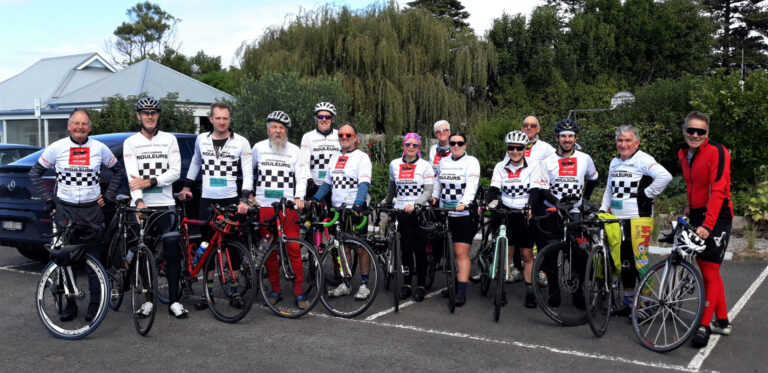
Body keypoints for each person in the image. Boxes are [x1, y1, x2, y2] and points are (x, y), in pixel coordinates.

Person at [30, 108, 124, 321]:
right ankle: (70, 305)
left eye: (84, 124)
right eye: (76, 124)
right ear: (69, 126)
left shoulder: (100, 148)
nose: (80, 128)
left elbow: (117, 171)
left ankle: (95, 304)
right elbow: (35, 172)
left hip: (92, 211)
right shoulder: (57, 148)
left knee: (93, 259)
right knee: (65, 260)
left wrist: (108, 196)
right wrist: (48, 199)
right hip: (65, 210)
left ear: (89, 127)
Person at [178, 102, 252, 310]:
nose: (221, 122)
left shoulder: (241, 142)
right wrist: (186, 187)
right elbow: (195, 163)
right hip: (207, 200)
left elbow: (247, 173)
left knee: (233, 248)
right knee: (207, 245)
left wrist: (244, 199)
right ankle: (207, 292)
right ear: (210, 119)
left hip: (230, 200)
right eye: (217, 118)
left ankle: (234, 291)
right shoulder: (202, 139)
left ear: (230, 120)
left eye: (225, 118)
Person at [122, 97, 189, 318]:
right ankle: (148, 300)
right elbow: (133, 176)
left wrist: (149, 181)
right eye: (145, 112)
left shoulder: (169, 140)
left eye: (153, 112)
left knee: (171, 253)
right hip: (142, 206)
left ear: (158, 115)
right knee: (144, 253)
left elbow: (175, 172)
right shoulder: (130, 142)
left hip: (166, 204)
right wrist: (139, 201)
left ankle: (174, 301)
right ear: (138, 116)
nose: (150, 116)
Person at [599, 125, 672, 314]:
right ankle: (629, 304)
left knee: (640, 263)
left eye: (628, 140)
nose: (623, 144)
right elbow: (609, 189)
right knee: (624, 264)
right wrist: (602, 210)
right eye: (620, 141)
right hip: (616, 220)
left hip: (638, 219)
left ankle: (646, 306)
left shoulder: (643, 159)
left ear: (637, 142)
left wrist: (647, 193)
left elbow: (665, 176)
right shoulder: (614, 162)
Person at [678, 111, 734, 348]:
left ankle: (704, 325)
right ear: (684, 131)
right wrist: (692, 209)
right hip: (699, 212)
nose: (695, 135)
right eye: (691, 130)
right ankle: (722, 320)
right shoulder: (683, 154)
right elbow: (693, 185)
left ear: (707, 133)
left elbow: (718, 190)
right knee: (708, 268)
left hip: (718, 214)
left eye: (700, 131)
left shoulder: (717, 152)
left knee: (709, 270)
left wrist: (708, 225)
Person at [530, 119, 598, 308]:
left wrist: (585, 199)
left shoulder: (585, 158)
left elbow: (593, 177)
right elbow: (542, 188)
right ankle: (554, 291)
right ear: (556, 138)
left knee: (578, 254)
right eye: (563, 136)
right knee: (551, 254)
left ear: (575, 138)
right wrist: (557, 203)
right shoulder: (547, 161)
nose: (566, 140)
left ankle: (578, 293)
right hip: (553, 211)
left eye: (570, 136)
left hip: (575, 212)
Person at [251, 110, 312, 309]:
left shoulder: (295, 150)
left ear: (286, 131)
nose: (278, 131)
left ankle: (299, 292)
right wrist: (249, 195)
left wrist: (299, 198)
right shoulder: (258, 148)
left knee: (293, 248)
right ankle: (275, 289)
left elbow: (302, 176)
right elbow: (248, 172)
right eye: (275, 127)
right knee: (268, 250)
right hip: (264, 206)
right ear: (268, 128)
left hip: (287, 208)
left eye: (282, 128)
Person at [311, 123, 373, 300]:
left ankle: (364, 285)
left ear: (355, 138)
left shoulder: (362, 157)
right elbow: (327, 183)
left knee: (361, 248)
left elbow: (364, 183)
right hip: (338, 209)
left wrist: (358, 204)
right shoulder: (334, 157)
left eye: (348, 135)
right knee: (342, 248)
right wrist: (315, 199)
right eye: (341, 135)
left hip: (355, 209)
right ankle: (346, 283)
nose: (344, 138)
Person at [484, 130, 542, 308]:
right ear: (507, 148)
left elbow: (534, 190)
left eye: (519, 148)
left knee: (526, 255)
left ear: (525, 149)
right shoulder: (501, 166)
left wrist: (530, 206)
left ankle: (531, 291)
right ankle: (501, 290)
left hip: (524, 213)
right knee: (506, 254)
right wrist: (488, 204)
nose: (515, 151)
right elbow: (494, 189)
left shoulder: (533, 165)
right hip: (506, 212)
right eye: (511, 147)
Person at [430, 132, 480, 307]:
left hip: (463, 213)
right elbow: (437, 183)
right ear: (449, 145)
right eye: (453, 143)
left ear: (465, 145)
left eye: (460, 143)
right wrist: (434, 198)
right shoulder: (443, 162)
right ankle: (454, 282)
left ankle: (461, 291)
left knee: (460, 253)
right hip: (445, 212)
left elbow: (472, 186)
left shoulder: (471, 162)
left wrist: (464, 202)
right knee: (448, 252)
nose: (456, 146)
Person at [383, 133, 435, 302]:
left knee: (419, 250)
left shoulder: (425, 165)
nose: (411, 147)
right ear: (403, 145)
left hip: (419, 212)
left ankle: (420, 285)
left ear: (419, 147)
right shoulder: (394, 164)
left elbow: (428, 191)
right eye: (408, 144)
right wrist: (387, 200)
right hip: (401, 212)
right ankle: (406, 284)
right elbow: (392, 187)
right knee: (405, 251)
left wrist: (417, 204)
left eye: (415, 145)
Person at [504, 116, 556, 283]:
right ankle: (519, 269)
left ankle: (542, 271)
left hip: (538, 196)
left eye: (532, 125)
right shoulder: (514, 144)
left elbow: (555, 165)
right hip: (518, 196)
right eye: (525, 125)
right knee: (516, 237)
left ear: (538, 128)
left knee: (538, 237)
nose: (528, 127)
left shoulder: (546, 148)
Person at [301, 102, 341, 205]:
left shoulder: (340, 135)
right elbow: (304, 161)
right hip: (315, 185)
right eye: (320, 116)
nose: (324, 119)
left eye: (327, 117)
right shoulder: (308, 137)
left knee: (336, 218)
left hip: (335, 186)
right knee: (313, 219)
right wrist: (309, 180)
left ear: (332, 119)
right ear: (316, 119)